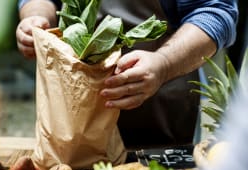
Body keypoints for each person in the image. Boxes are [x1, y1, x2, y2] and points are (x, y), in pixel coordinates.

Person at [16, 0, 238, 148]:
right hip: (68, 125)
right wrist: (35, 17)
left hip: (154, 121)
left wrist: (164, 63)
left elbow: (216, 13)